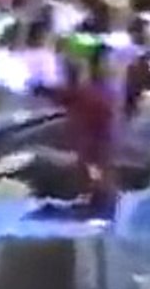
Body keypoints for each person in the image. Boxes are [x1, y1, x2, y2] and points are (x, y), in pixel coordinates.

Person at [31, 44, 120, 220]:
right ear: (98, 65)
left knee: (103, 204)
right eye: (110, 62)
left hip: (101, 157)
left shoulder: (107, 91)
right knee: (101, 204)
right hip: (92, 158)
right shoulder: (91, 93)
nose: (115, 66)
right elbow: (63, 95)